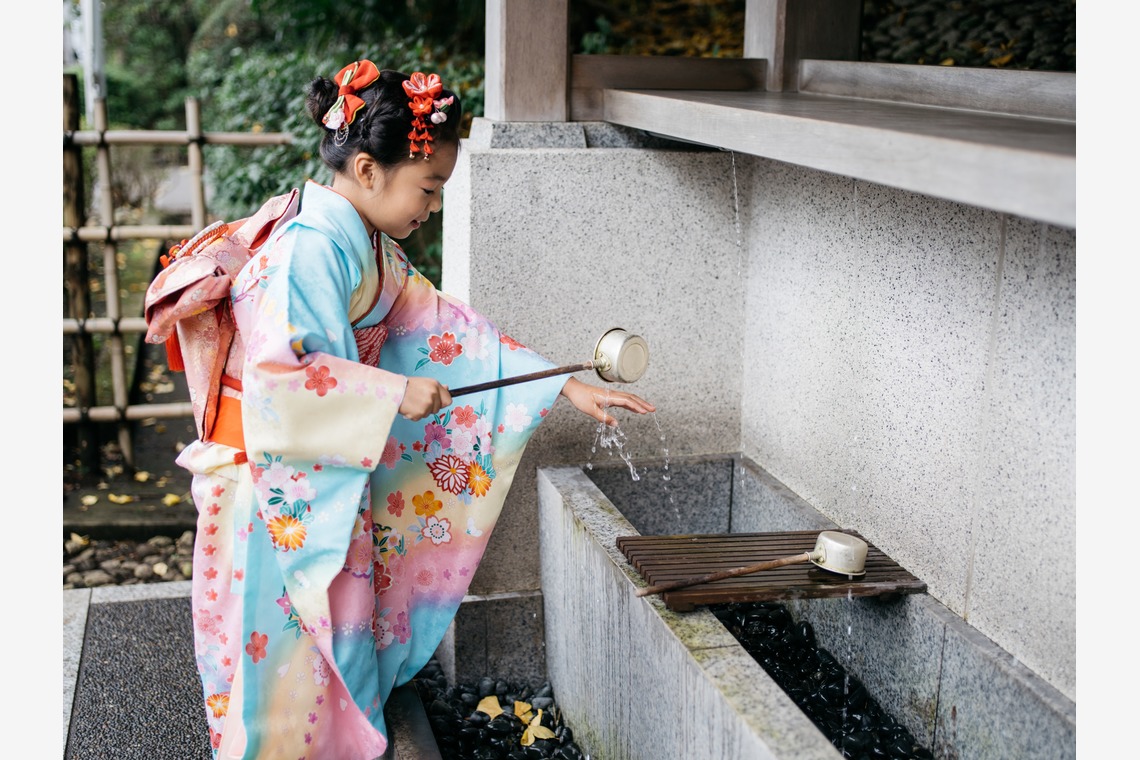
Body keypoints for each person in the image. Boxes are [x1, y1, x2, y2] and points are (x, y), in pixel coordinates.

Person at [173, 59, 655, 759]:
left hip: (313, 473)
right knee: (276, 663)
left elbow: (446, 331)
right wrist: (393, 392)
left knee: (325, 648)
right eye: (427, 188)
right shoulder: (309, 250)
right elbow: (283, 377)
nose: (432, 207)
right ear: (368, 170)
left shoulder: (363, 244)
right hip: (268, 489)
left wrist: (557, 384)